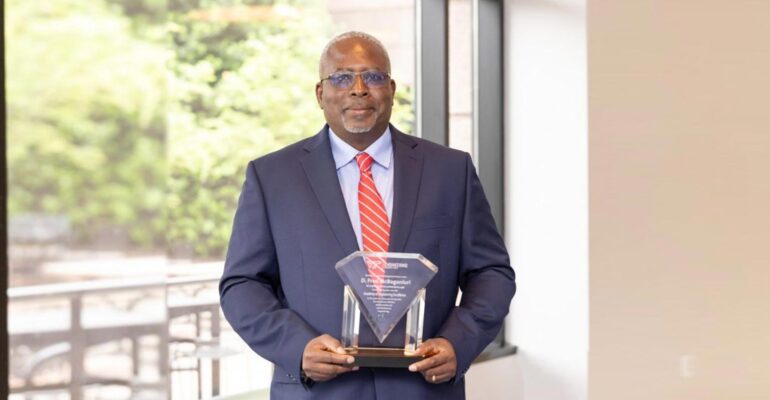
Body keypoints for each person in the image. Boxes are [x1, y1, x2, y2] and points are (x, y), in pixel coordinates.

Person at [219, 31, 516, 400]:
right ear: (320, 94)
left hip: (423, 390)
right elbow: (242, 285)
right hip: (318, 392)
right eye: (341, 78)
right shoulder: (272, 177)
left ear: (391, 89)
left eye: (373, 77)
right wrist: (296, 348)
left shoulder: (450, 171)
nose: (359, 89)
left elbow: (491, 273)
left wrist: (459, 342)